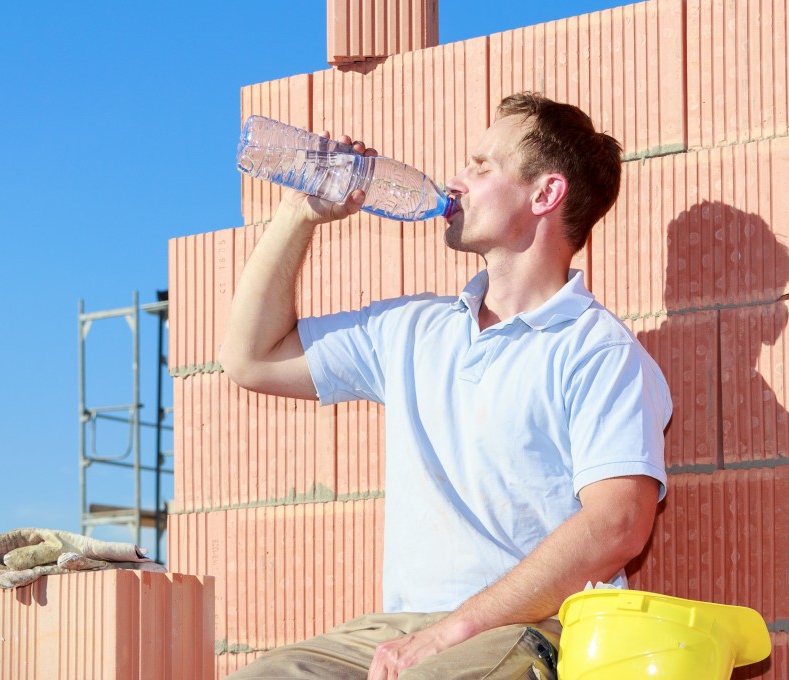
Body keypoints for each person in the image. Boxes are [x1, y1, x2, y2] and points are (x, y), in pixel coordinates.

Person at [219, 92, 671, 680]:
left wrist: (457, 628)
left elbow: (618, 525)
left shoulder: (600, 353)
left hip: (535, 627)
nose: (455, 181)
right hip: (395, 632)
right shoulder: (413, 329)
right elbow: (251, 358)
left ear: (545, 194)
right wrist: (299, 213)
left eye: (482, 167)